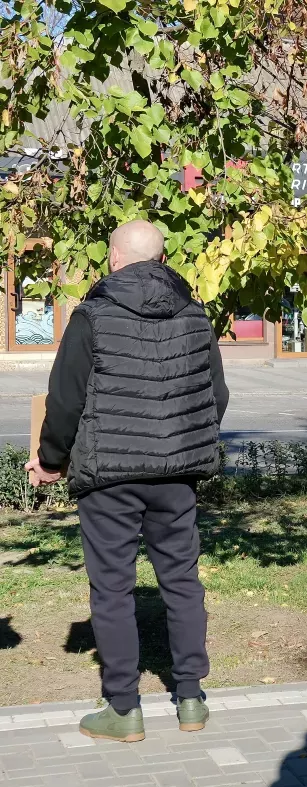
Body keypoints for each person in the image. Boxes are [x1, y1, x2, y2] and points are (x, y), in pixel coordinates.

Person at [25, 220, 229, 741]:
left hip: (109, 478)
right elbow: (216, 396)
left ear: (115, 257)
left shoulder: (91, 316)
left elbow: (65, 400)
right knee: (182, 581)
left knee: (112, 588)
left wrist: (50, 459)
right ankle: (190, 699)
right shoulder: (195, 314)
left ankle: (123, 708)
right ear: (161, 260)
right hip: (176, 477)